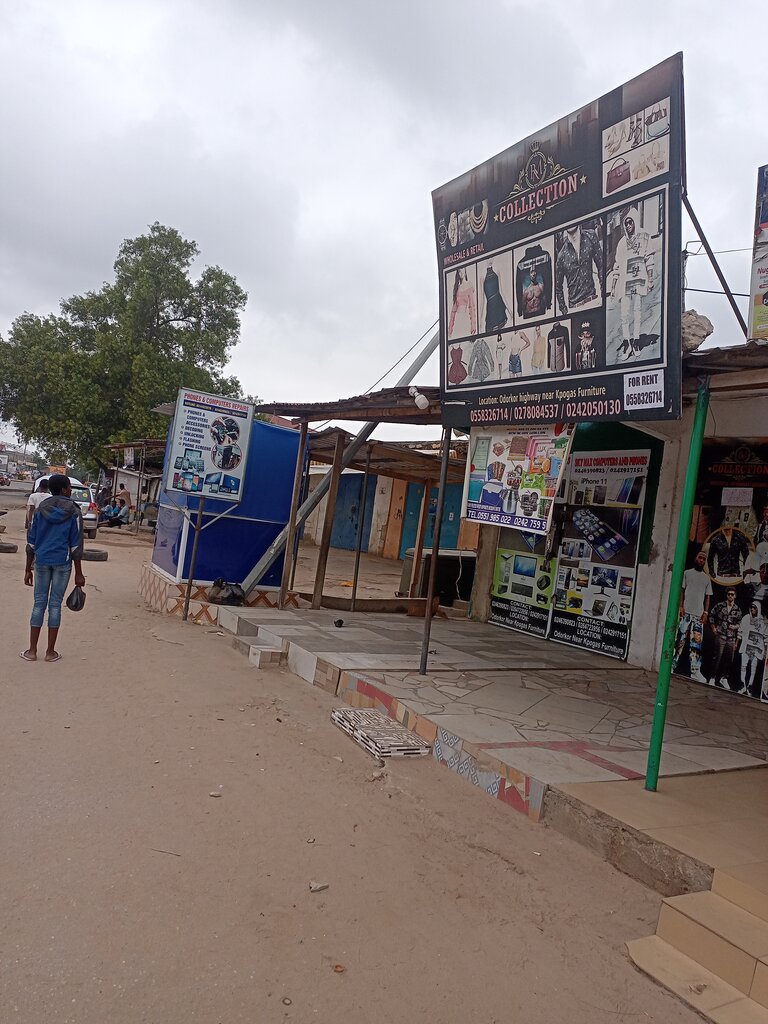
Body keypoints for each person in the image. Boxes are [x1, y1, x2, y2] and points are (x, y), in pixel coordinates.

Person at [21, 473, 85, 663]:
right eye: (69, 488)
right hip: (62, 563)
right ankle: (50, 652)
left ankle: (32, 651)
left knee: (39, 603)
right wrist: (79, 573)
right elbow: (76, 545)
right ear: (65, 489)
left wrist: (27, 569)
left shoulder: (41, 510)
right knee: (55, 605)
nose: (71, 491)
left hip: (41, 561)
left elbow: (31, 541)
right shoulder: (74, 511)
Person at [608, 206, 655, 360]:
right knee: (624, 314)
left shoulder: (644, 237)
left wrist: (650, 279)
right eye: (626, 224)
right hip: (624, 283)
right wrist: (613, 287)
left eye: (631, 223)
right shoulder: (621, 243)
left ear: (635, 222)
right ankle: (627, 342)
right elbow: (617, 266)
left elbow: (649, 259)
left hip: (639, 279)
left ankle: (635, 342)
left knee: (637, 312)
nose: (628, 226)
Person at [672, 550, 712, 682]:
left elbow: (707, 597)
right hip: (686, 613)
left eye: (704, 559)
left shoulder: (706, 578)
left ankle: (695, 671)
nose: (701, 560)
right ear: (695, 558)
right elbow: (682, 591)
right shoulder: (687, 573)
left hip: (698, 615)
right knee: (680, 640)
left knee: (696, 644)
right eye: (700, 557)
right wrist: (681, 606)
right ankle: (672, 665)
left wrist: (706, 613)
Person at [708, 587, 742, 688]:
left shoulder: (737, 609)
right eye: (729, 594)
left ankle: (724, 678)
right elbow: (711, 615)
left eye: (732, 594)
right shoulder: (720, 605)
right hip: (721, 635)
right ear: (726, 595)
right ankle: (712, 678)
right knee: (717, 657)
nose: (730, 596)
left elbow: (740, 623)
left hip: (731, 638)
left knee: (729, 659)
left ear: (735, 596)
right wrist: (713, 628)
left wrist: (735, 627)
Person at [737, 602, 768, 696]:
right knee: (743, 666)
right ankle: (742, 685)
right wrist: (736, 644)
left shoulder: (763, 621)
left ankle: (750, 686)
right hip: (746, 646)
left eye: (754, 608)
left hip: (757, 649)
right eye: (751, 607)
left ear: (758, 609)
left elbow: (766, 636)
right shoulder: (746, 618)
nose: (752, 609)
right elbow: (740, 631)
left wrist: (765, 651)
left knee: (753, 668)